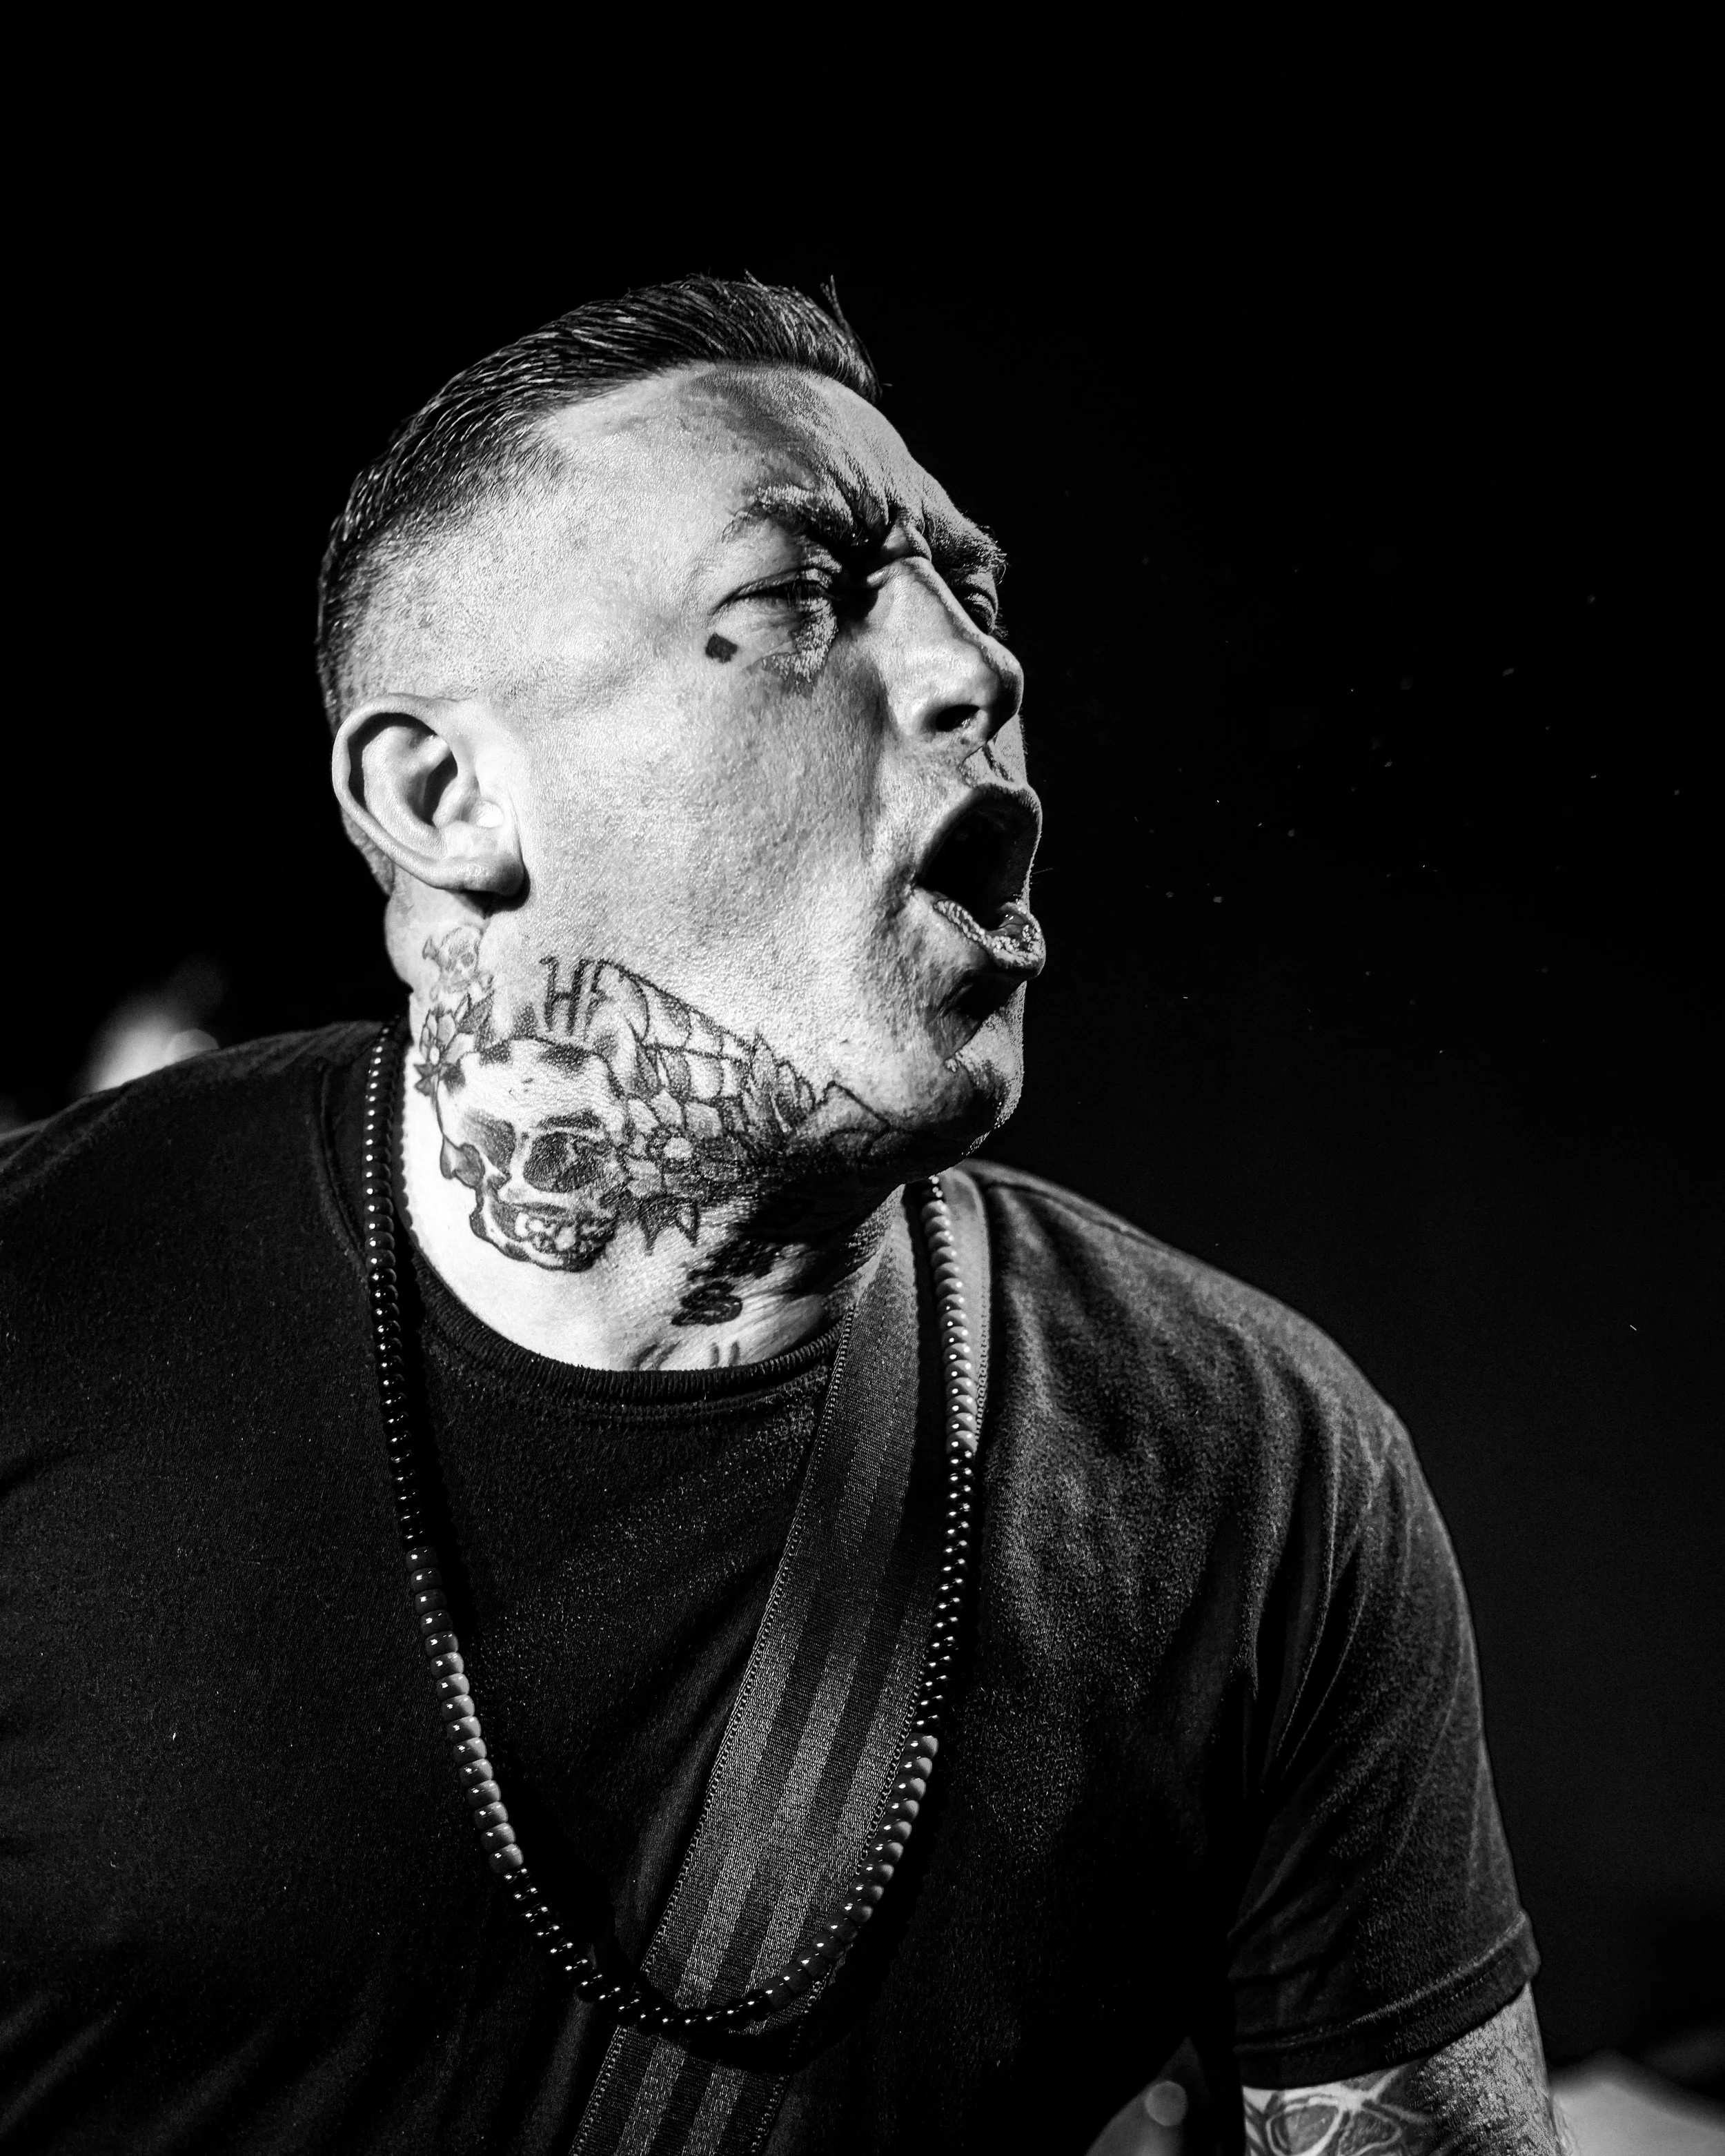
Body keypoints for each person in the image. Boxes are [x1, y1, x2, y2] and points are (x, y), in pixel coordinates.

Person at [0, 279, 1572, 2155]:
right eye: (803, 597)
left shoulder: (1253, 1468)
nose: (976, 672)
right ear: (444, 796)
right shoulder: (43, 1314)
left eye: (972, 591)